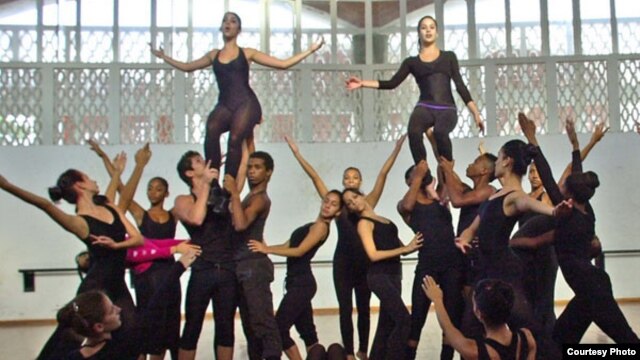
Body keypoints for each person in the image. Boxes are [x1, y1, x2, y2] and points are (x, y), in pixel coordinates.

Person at [150, 12, 323, 191]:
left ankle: (228, 183)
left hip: (246, 103)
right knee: (211, 129)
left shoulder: (247, 53)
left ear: (238, 29)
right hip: (225, 104)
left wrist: (310, 50)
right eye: (225, 20)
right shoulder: (213, 55)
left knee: (234, 139)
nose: (228, 24)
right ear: (221, 27)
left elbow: (283, 64)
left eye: (233, 21)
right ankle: (213, 183)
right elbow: (187, 67)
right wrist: (163, 56)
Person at [0, 154, 144, 359]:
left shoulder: (106, 206)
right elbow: (45, 205)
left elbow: (133, 231)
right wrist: (7, 186)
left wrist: (117, 172)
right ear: (80, 186)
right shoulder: (80, 223)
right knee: (69, 338)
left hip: (117, 284)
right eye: (88, 177)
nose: (94, 180)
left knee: (133, 333)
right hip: (96, 286)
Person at [517, 113, 640, 346]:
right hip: (590, 287)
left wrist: (532, 139)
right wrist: (575, 145)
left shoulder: (568, 215)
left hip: (593, 290)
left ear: (570, 196)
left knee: (628, 344)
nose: (559, 188)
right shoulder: (585, 211)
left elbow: (548, 178)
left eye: (564, 188)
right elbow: (575, 176)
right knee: (561, 343)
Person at [285, 135, 405, 360]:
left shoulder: (366, 203)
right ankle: (348, 352)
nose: (350, 180)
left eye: (355, 177)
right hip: (342, 264)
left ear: (360, 182)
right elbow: (315, 178)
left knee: (364, 309)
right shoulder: (338, 206)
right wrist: (297, 153)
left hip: (365, 264)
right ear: (343, 181)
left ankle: (363, 350)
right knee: (345, 309)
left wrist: (397, 149)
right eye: (347, 177)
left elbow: (382, 175)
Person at [89, 140, 184, 360]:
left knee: (171, 320)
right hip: (146, 275)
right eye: (150, 188)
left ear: (166, 193)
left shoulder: (174, 214)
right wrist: (104, 157)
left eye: (158, 188)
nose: (153, 192)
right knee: (150, 320)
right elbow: (124, 190)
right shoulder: (141, 214)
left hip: (169, 273)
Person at [346, 15, 483, 164]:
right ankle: (423, 174)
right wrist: (362, 83)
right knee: (414, 131)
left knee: (440, 132)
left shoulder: (449, 57)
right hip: (425, 107)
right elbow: (392, 83)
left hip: (446, 109)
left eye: (431, 27)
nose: (428, 31)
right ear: (419, 33)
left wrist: (475, 113)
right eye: (424, 28)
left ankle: (448, 169)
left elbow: (460, 86)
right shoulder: (411, 62)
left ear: (437, 33)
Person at [248, 190, 343, 360]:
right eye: (326, 201)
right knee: (307, 331)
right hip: (296, 282)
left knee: (279, 328)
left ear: (338, 212)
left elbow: (299, 251)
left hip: (302, 283)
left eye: (334, 204)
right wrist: (266, 248)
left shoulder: (321, 227)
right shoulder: (310, 226)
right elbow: (288, 245)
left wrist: (267, 249)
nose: (328, 205)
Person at [58, 248, 199, 360]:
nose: (119, 309)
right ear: (99, 326)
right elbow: (156, 303)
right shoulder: (124, 348)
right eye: (112, 310)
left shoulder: (72, 356)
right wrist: (179, 266)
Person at [342, 188, 423, 360]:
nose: (353, 202)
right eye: (349, 203)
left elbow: (400, 249)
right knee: (403, 320)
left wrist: (412, 245)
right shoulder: (363, 223)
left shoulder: (385, 221)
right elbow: (373, 254)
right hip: (379, 276)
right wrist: (405, 248)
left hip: (394, 275)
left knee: (386, 325)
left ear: (362, 195)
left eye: (354, 197)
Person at [172, 150, 238, 360]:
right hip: (202, 270)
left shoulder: (219, 195)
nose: (206, 162)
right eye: (199, 161)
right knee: (192, 326)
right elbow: (197, 218)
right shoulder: (183, 199)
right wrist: (206, 185)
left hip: (227, 268)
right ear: (190, 173)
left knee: (226, 328)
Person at [397, 160, 464, 360]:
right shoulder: (406, 205)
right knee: (416, 319)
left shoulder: (439, 198)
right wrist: (418, 176)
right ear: (410, 181)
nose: (420, 175)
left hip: (452, 265)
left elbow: (443, 170)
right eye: (415, 175)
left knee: (451, 319)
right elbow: (406, 205)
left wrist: (434, 143)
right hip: (427, 267)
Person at [223, 151, 281, 360]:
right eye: (250, 167)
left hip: (253, 266)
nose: (251, 172)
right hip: (242, 264)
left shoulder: (259, 199)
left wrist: (235, 195)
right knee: (250, 326)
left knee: (262, 322)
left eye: (257, 168)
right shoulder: (251, 195)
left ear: (268, 173)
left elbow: (240, 224)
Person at [423, 277, 536, 360]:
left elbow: (448, 328)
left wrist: (437, 299)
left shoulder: (476, 351)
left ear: (479, 313)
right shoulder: (527, 337)